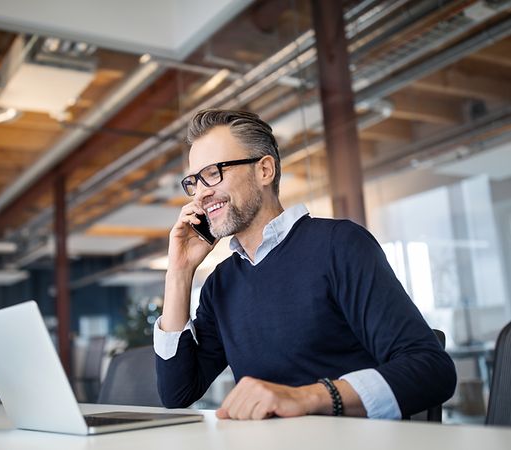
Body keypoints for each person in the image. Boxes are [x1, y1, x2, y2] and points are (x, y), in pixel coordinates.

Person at [154, 109, 456, 420]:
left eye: (214, 172)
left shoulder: (339, 245)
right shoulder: (221, 283)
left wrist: (307, 397)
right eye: (194, 181)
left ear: (265, 170)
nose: (201, 193)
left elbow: (431, 370)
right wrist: (179, 272)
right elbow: (178, 393)